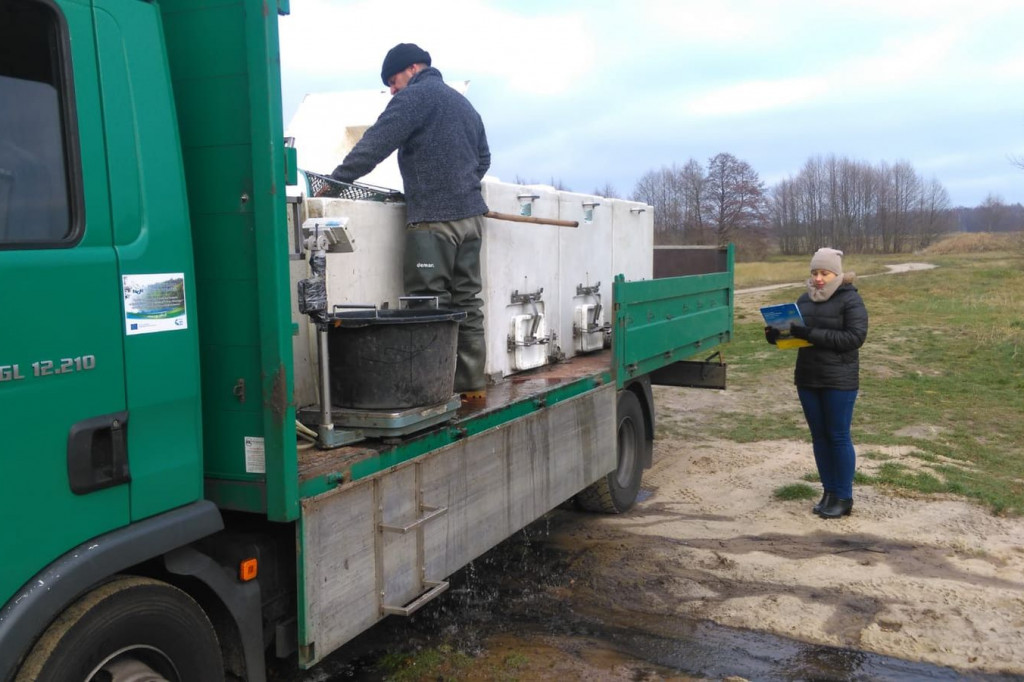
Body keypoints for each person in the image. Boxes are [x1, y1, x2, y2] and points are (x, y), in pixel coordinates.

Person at [328, 43, 491, 401]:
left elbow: (375, 144)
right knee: (468, 301)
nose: (391, 88)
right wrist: (459, 188)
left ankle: (429, 392)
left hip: (434, 221)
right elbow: (484, 158)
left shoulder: (415, 98)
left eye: (393, 79)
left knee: (427, 303)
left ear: (413, 69)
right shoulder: (463, 104)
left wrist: (333, 184)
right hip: (471, 221)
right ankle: (472, 386)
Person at [765, 248, 868, 518]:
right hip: (808, 377)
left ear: (837, 273)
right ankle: (829, 491)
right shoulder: (804, 300)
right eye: (815, 273)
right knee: (819, 438)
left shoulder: (851, 300)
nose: (819, 279)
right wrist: (776, 335)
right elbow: (796, 337)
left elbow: (854, 338)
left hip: (839, 380)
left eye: (825, 273)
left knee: (838, 436)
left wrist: (810, 332)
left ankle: (844, 497)